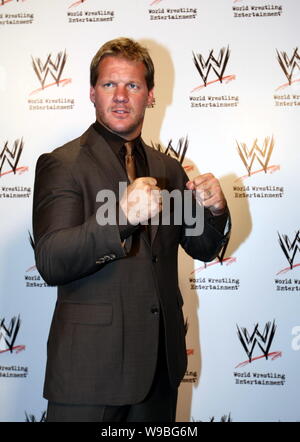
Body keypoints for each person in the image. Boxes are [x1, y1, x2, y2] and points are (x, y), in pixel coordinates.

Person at [32, 37, 230, 422]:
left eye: (133, 85)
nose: (120, 96)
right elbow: (51, 260)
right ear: (92, 92)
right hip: (89, 373)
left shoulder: (168, 169)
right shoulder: (63, 164)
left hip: (158, 370)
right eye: (109, 84)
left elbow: (202, 246)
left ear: (150, 95)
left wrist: (217, 211)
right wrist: (119, 217)